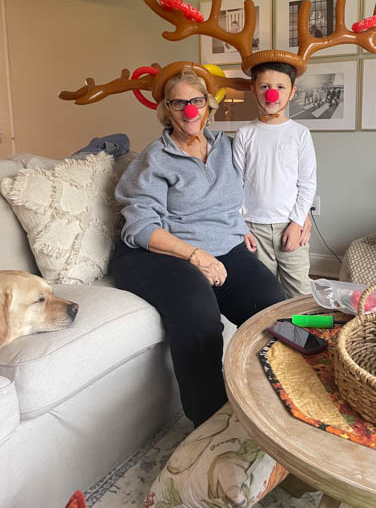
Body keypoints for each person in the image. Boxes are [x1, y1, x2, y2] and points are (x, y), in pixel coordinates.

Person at [111, 69, 285, 428]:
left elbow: (249, 193)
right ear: (166, 110)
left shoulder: (227, 147)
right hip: (161, 252)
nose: (189, 111)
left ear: (209, 105)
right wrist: (196, 256)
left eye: (196, 101)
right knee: (199, 316)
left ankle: (281, 394)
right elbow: (141, 227)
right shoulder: (155, 159)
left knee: (271, 302)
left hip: (223, 245)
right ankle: (210, 423)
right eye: (178, 103)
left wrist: (248, 224)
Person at [233, 62, 317, 299]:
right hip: (254, 227)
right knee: (262, 292)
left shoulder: (300, 134)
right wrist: (241, 226)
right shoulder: (245, 133)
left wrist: (297, 222)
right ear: (254, 91)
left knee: (299, 293)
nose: (272, 93)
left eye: (280, 87)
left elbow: (307, 183)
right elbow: (236, 182)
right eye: (265, 87)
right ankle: (273, 325)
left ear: (292, 92)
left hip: (289, 225)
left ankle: (304, 326)